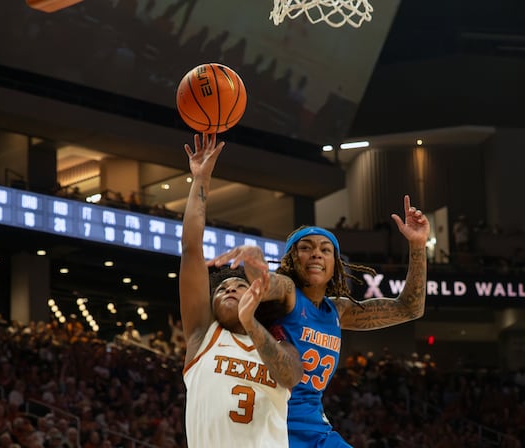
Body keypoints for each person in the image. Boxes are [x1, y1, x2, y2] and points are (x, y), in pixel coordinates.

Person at [208, 195, 430, 447]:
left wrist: (418, 244)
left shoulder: (339, 310)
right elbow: (264, 284)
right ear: (291, 259)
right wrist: (255, 257)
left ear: (335, 265)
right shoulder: (288, 291)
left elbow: (409, 308)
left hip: (316, 429)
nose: (316, 254)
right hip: (276, 426)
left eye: (325, 250)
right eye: (306, 248)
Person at [179, 133, 303, 447]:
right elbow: (192, 248)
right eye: (222, 288)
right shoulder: (201, 336)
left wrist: (251, 322)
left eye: (240, 285)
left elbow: (290, 377)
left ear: (257, 299)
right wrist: (201, 181)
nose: (231, 288)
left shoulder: (281, 346)